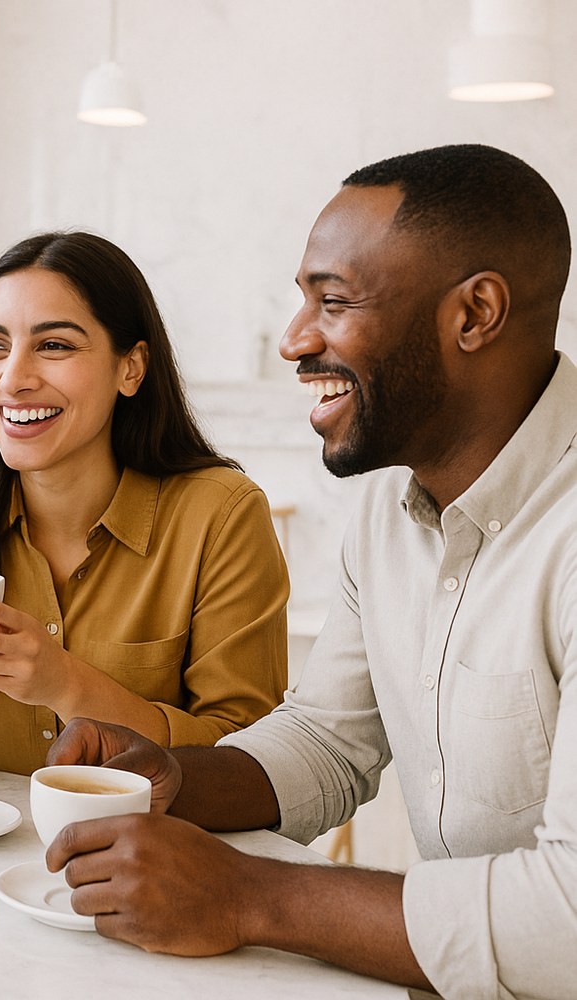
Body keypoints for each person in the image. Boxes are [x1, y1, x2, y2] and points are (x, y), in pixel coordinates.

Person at [42, 144, 575, 1000]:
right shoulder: (391, 506)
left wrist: (251, 896)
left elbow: (569, 918)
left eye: (333, 301)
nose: (294, 339)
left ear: (474, 313)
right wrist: (177, 780)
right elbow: (328, 741)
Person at [0, 232, 289, 776]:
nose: (13, 379)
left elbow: (245, 763)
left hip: (151, 854)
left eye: (54, 345)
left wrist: (65, 684)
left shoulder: (221, 517)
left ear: (130, 368)